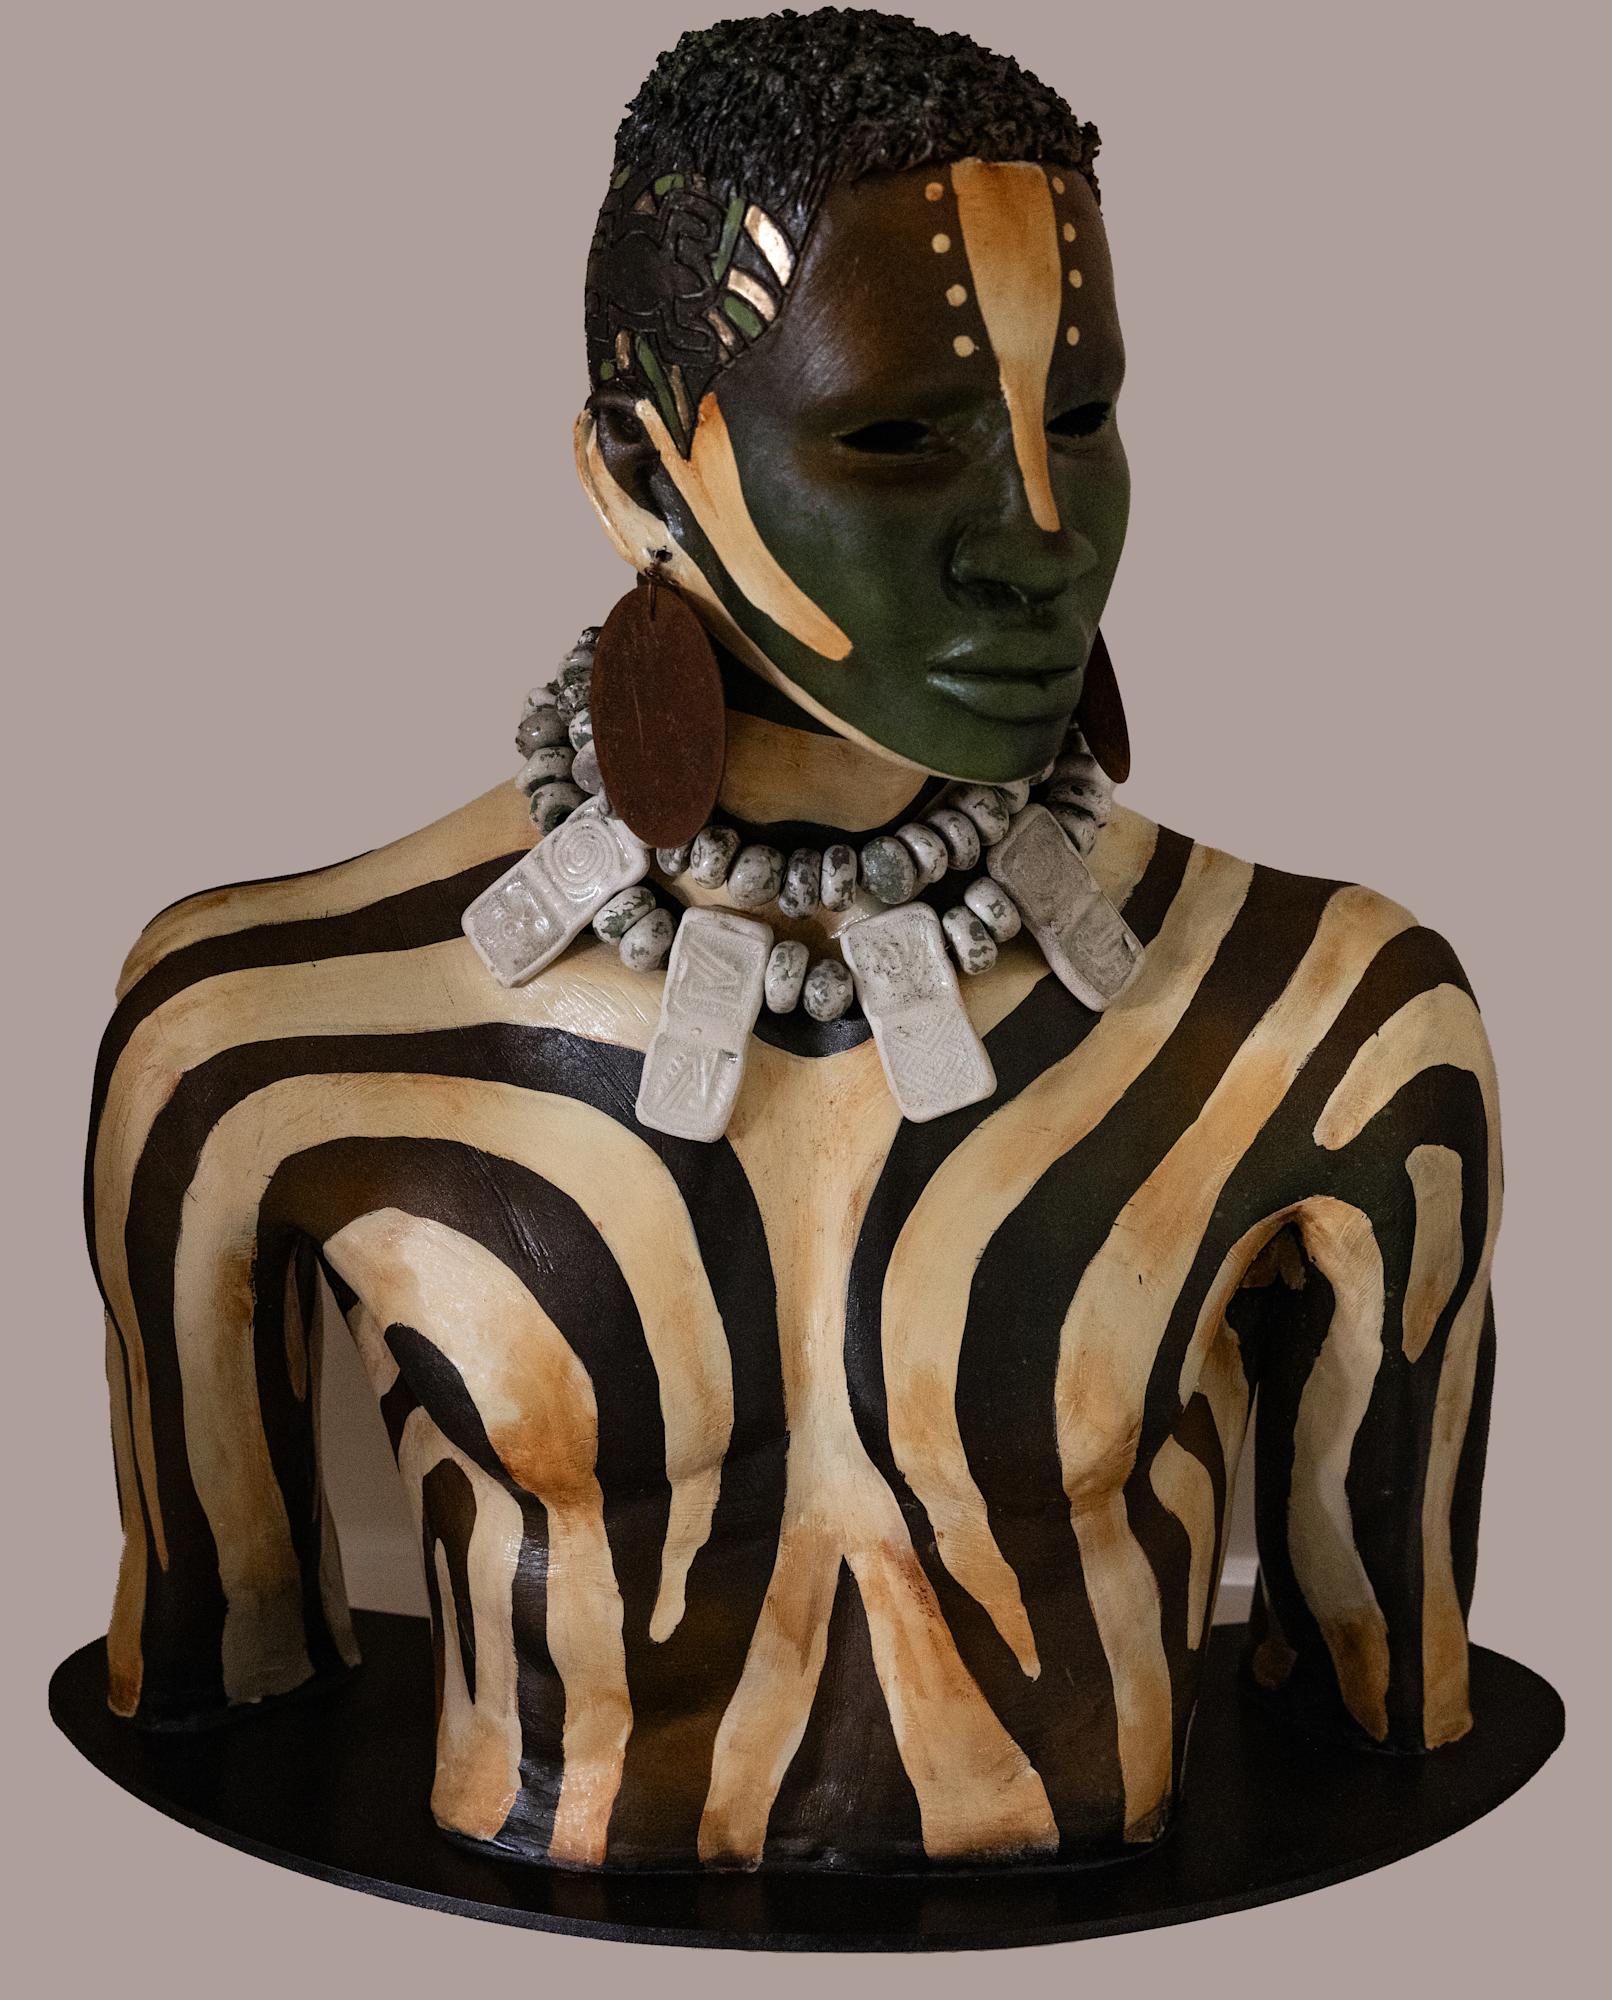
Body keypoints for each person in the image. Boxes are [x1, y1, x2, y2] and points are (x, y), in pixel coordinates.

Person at [85, 9, 1501, 1874]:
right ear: (636, 473)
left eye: (1081, 418)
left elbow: (1383, 1698)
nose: (1043, 535)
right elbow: (216, 1673)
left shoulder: (1333, 1025)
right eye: (898, 436)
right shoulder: (247, 1038)